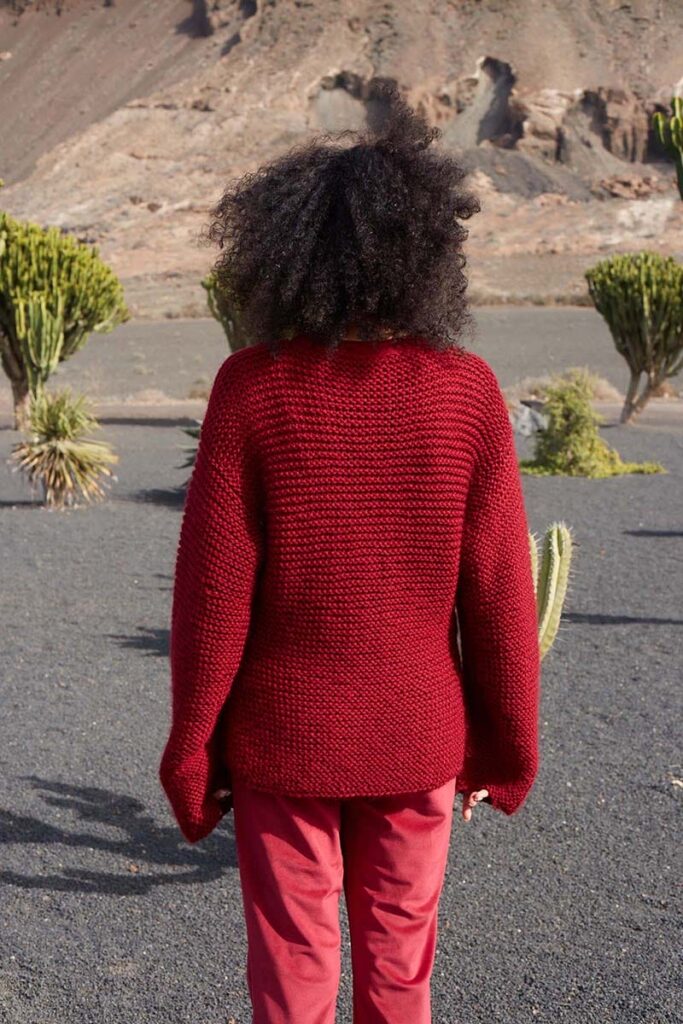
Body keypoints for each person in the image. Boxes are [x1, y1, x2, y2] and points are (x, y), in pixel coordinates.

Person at [158, 77, 541, 1024]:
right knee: (400, 967)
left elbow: (212, 598)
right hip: (418, 737)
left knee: (292, 969)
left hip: (281, 739)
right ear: (429, 252)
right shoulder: (466, 392)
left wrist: (193, 753)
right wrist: (503, 750)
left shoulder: (250, 388)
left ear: (281, 253)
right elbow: (499, 596)